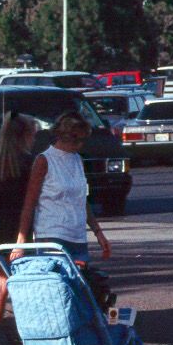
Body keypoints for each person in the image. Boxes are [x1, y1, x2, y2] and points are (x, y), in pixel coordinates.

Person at [16, 111, 111, 265]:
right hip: (51, 235)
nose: (82, 144)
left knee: (81, 279)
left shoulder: (77, 160)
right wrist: (21, 241)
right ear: (66, 137)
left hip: (78, 237)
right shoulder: (44, 160)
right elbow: (29, 203)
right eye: (79, 140)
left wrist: (98, 232)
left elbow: (81, 200)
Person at [0, 112, 37, 321]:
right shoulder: (29, 164)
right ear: (26, 136)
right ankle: (26, 328)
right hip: (24, 232)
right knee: (27, 286)